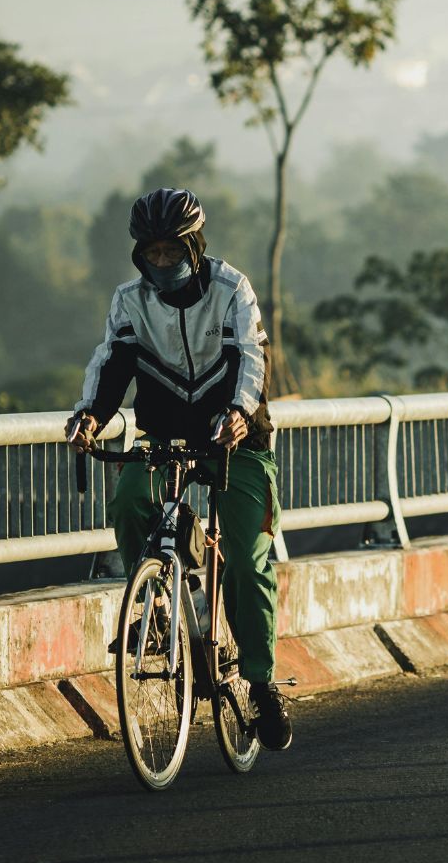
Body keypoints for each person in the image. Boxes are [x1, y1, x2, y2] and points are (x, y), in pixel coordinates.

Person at [64, 187, 291, 751]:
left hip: (236, 438)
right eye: (152, 252)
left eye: (173, 251)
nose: (163, 263)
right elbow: (112, 363)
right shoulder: (129, 300)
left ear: (195, 245)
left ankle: (261, 684)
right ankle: (159, 603)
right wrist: (89, 417)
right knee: (127, 500)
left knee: (246, 560)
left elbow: (251, 358)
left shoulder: (231, 288)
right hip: (165, 435)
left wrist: (239, 413)